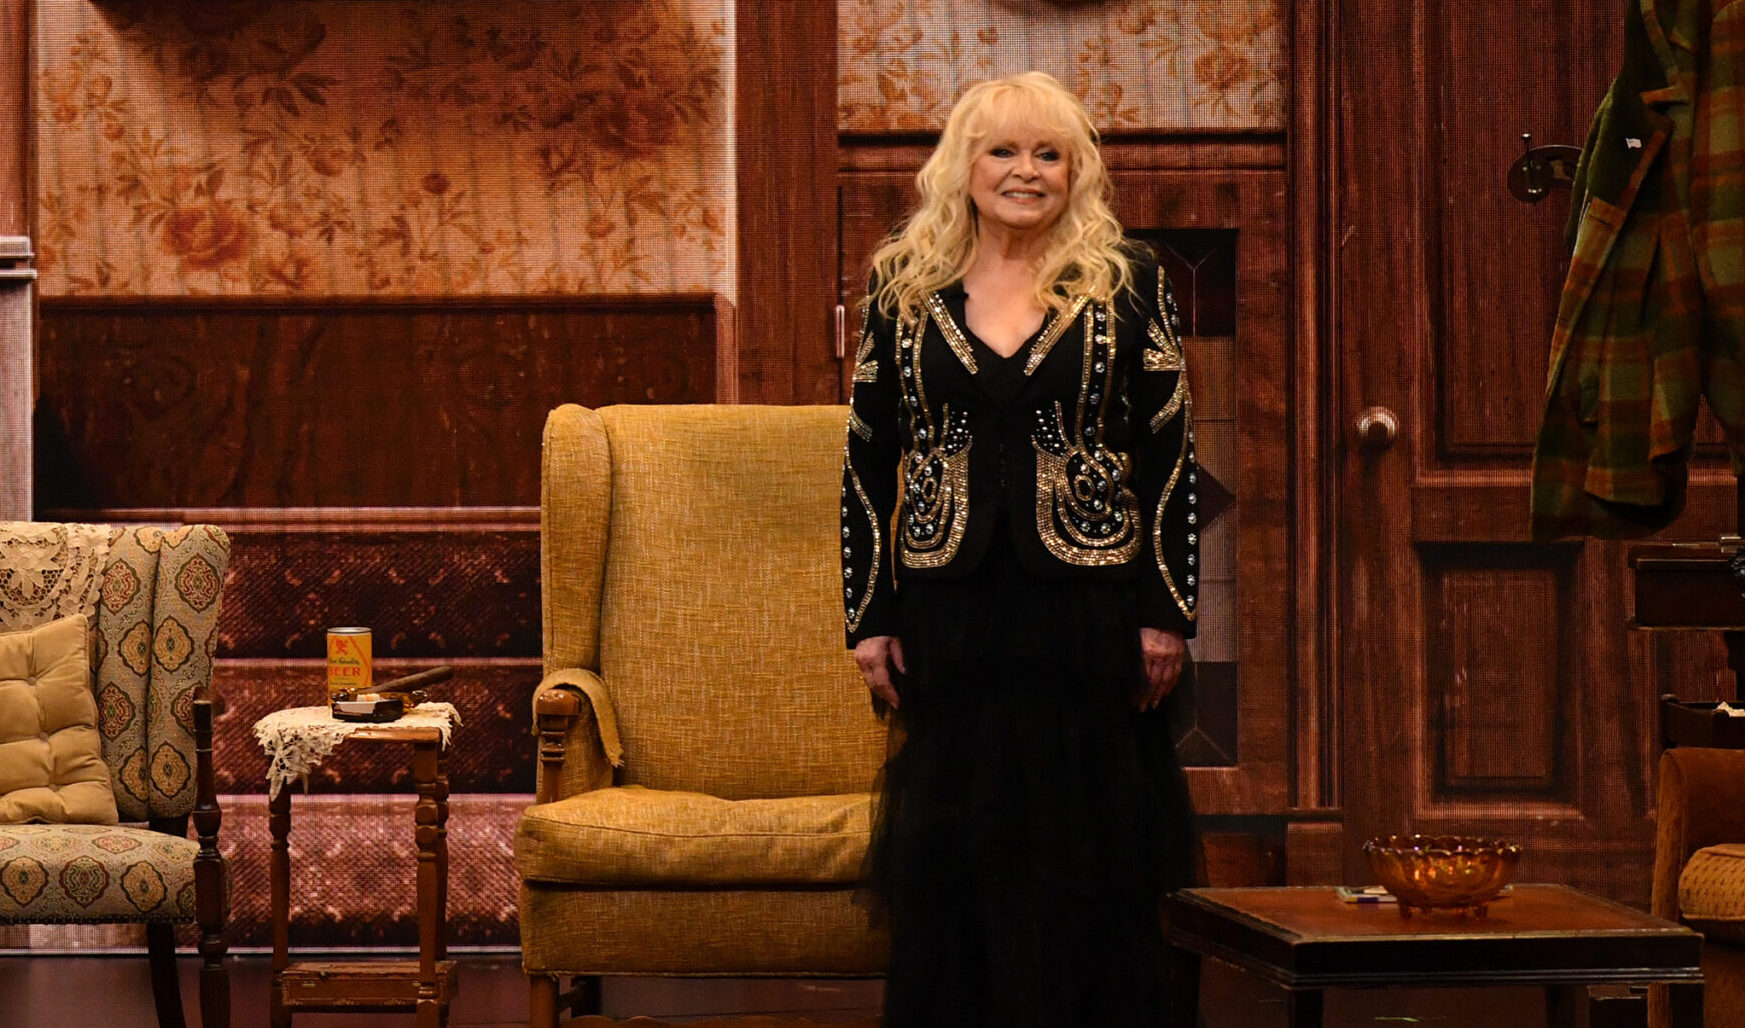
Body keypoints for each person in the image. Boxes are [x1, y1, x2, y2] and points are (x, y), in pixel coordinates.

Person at [839, 71, 1202, 1027]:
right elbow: (867, 460)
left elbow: (1169, 457)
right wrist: (868, 617)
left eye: (1048, 153)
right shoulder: (901, 285)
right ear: (961, 166)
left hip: (1088, 610)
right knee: (962, 847)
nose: (1024, 171)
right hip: (946, 610)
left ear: (1077, 170)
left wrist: (1166, 612)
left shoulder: (1129, 280)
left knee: (1087, 847)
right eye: (1002, 150)